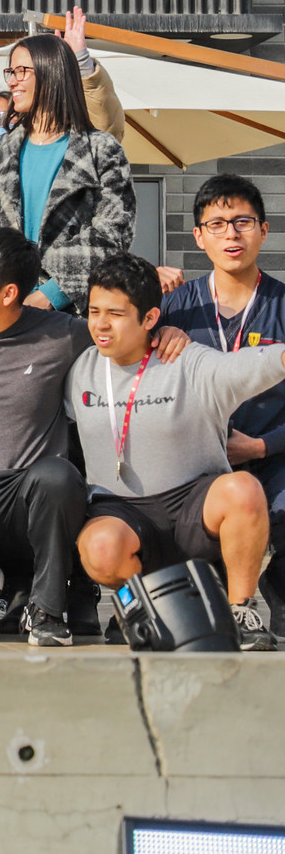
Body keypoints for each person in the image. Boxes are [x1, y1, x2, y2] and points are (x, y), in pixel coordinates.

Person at [0, 228, 187, 645]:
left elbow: (119, 332)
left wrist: (167, 332)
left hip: (30, 504)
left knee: (58, 475)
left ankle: (48, 611)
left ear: (8, 293)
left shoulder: (63, 334)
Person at [71, 253, 280, 650]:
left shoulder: (187, 359)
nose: (100, 324)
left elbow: (254, 364)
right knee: (99, 550)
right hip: (122, 510)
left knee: (244, 489)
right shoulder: (78, 367)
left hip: (193, 506)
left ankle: (239, 609)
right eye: (94, 311)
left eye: (115, 313)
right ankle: (143, 605)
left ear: (150, 318)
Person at [159, 175, 285, 614]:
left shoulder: (282, 305)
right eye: (217, 224)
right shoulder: (175, 306)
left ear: (264, 231)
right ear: (198, 236)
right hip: (194, 464)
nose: (231, 234)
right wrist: (142, 293)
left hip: (273, 457)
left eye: (242, 222)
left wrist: (264, 444)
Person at [0, 32, 134, 312]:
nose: (11, 81)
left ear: (52, 72)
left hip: (73, 313)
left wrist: (52, 294)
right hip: (3, 305)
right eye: (10, 71)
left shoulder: (101, 149)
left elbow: (113, 231)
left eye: (21, 71)